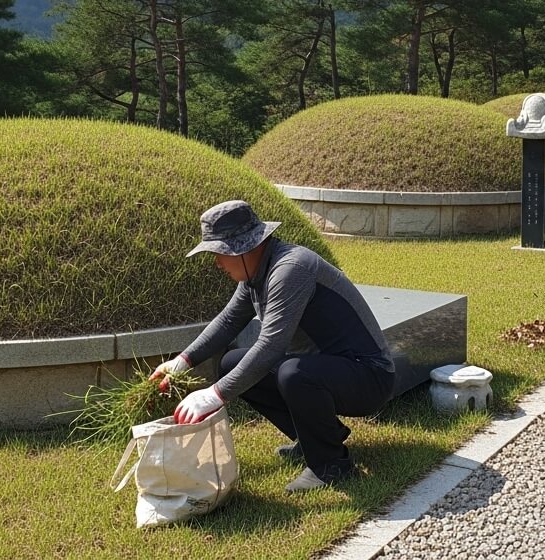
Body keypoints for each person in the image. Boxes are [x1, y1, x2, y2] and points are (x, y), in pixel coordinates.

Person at [150, 200, 396, 493]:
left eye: (219, 253)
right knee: (232, 362)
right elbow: (229, 321)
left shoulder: (291, 269)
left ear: (243, 248)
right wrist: (183, 361)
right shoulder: (257, 273)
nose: (217, 262)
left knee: (293, 373)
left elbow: (271, 346)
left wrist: (214, 395)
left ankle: (331, 466)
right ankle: (314, 441)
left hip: (370, 376)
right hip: (333, 370)